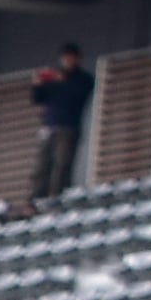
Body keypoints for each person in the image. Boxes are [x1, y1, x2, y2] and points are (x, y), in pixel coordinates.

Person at [25, 40, 95, 205]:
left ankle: (58, 197)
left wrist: (62, 81)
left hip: (68, 127)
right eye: (65, 58)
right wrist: (37, 84)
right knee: (42, 166)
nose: (67, 61)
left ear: (77, 59)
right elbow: (37, 98)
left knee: (62, 164)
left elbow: (79, 95)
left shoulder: (83, 79)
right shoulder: (54, 79)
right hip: (49, 126)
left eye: (71, 57)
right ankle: (35, 199)